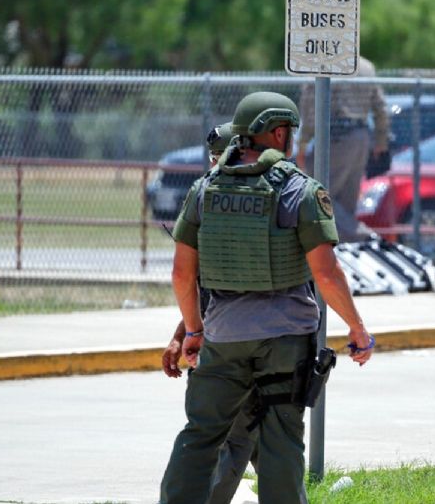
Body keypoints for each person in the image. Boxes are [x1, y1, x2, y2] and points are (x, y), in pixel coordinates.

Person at [159, 91, 375, 504]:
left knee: (201, 434)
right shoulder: (301, 191)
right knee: (279, 439)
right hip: (285, 339)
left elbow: (182, 273)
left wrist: (192, 329)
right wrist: (357, 328)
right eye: (289, 131)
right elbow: (326, 273)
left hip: (222, 336)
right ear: (278, 132)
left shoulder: (204, 189)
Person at [160, 121, 261, 504]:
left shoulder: (254, 203)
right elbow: (199, 282)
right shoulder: (210, 197)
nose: (217, 165)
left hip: (242, 342)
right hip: (233, 337)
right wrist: (181, 334)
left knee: (233, 440)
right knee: (263, 443)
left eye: (222, 156)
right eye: (214, 158)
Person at [297, 56, 390, 241]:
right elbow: (381, 107)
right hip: (361, 136)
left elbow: (311, 108)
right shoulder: (367, 67)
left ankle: (360, 235)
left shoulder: (323, 63)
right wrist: (381, 140)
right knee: (346, 201)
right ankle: (345, 248)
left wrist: (303, 143)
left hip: (335, 137)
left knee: (316, 196)